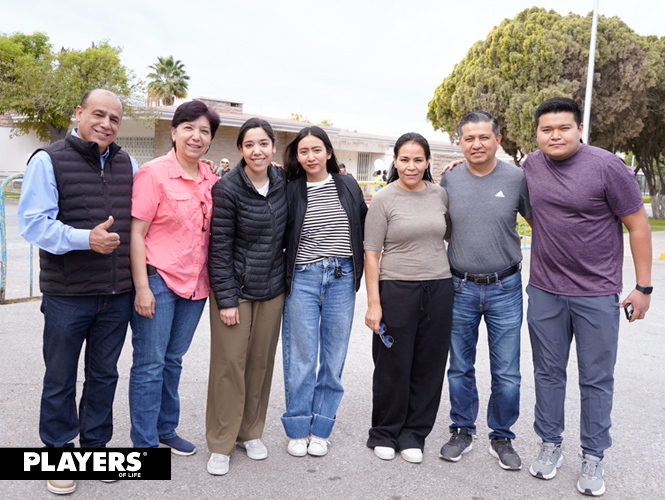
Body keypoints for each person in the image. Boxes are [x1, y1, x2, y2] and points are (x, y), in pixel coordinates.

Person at [524, 97, 652, 496]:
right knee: (547, 374)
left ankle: (593, 455)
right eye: (547, 129)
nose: (555, 135)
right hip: (544, 290)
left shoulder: (607, 166)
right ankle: (550, 445)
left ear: (580, 129)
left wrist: (643, 286)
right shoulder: (529, 166)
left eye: (564, 127)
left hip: (597, 295)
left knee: (596, 379)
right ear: (537, 134)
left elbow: (638, 226)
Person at [17, 89, 137, 496]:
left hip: (116, 293)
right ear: (79, 113)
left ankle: (97, 449)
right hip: (68, 295)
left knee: (104, 376)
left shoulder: (128, 163)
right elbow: (33, 223)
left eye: (114, 119)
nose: (106, 124)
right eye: (98, 114)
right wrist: (87, 239)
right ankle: (57, 455)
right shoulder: (48, 160)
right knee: (60, 377)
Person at [438, 111, 531, 470]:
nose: (476, 144)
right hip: (458, 285)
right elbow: (441, 228)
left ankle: (502, 435)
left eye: (483, 137)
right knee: (460, 366)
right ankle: (461, 428)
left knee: (507, 370)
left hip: (505, 287)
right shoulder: (449, 180)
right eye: (468, 138)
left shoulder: (517, 178)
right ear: (459, 142)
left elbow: (543, 222)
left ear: (498, 140)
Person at [128, 101, 220, 455]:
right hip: (158, 281)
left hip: (196, 285)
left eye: (204, 131)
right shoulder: (154, 173)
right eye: (189, 128)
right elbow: (137, 233)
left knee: (173, 360)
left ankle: (166, 428)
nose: (196, 137)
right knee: (149, 364)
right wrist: (141, 288)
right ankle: (145, 442)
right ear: (174, 131)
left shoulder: (210, 177)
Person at [364, 132, 454, 464]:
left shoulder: (440, 195)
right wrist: (374, 303)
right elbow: (371, 255)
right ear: (395, 161)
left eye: (418, 159)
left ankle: (414, 433)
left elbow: (446, 234)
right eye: (404, 159)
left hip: (439, 288)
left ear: (428, 162)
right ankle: (385, 432)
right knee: (392, 364)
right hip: (396, 290)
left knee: (429, 365)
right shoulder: (385, 198)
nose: (411, 166)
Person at [205, 117, 288, 476]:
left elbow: (325, 174)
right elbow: (218, 248)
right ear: (240, 149)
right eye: (249, 144)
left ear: (273, 147)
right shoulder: (227, 188)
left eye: (263, 144)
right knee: (229, 366)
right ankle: (221, 443)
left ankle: (250, 432)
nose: (257, 150)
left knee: (259, 364)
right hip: (234, 291)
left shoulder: (284, 182)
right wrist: (225, 299)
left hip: (272, 291)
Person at [281, 126, 367, 457]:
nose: (311, 157)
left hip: (341, 277)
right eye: (304, 151)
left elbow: (365, 223)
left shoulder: (347, 184)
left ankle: (322, 426)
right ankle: (298, 427)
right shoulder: (290, 188)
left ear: (329, 153)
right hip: (302, 278)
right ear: (297, 157)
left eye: (317, 150)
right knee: (301, 358)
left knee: (333, 358)